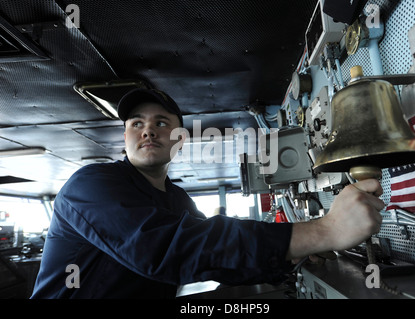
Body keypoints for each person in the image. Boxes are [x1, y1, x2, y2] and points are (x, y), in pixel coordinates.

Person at [30, 88, 384, 299]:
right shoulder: (91, 185)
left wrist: (290, 259)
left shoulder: (178, 200)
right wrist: (325, 230)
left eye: (161, 123)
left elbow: (215, 258)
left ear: (180, 140)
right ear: (124, 137)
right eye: (136, 123)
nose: (148, 131)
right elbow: (168, 249)